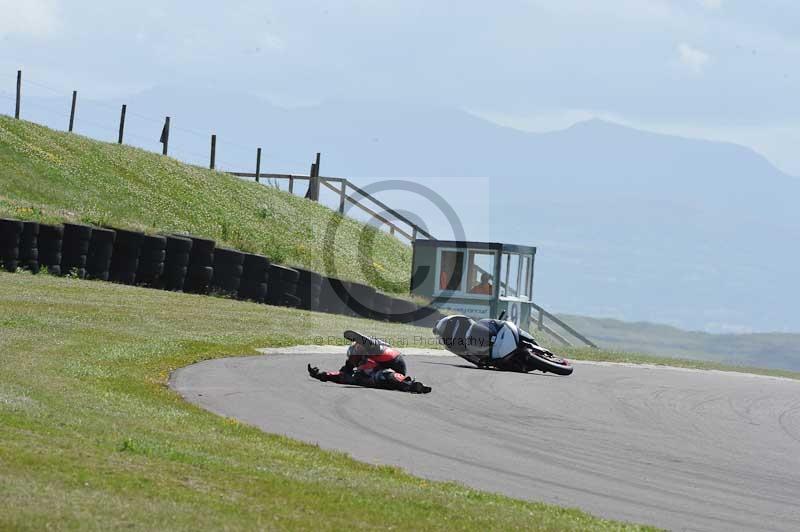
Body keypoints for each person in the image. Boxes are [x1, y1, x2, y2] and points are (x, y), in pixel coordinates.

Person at [307, 330, 432, 393]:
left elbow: (343, 372)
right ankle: (408, 385)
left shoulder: (368, 358)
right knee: (381, 375)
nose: (352, 360)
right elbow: (341, 375)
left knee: (385, 373)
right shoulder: (354, 373)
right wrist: (321, 375)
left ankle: (412, 385)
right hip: (379, 381)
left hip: (393, 363)